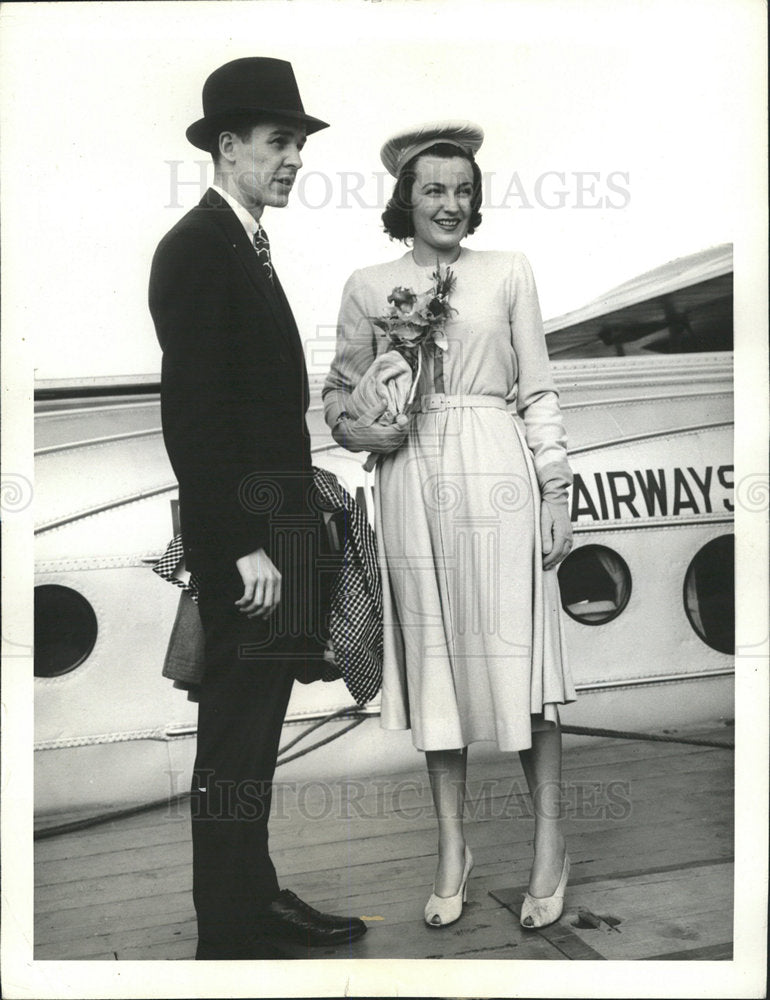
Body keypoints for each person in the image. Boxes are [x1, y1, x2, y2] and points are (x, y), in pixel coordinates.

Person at [323, 121, 576, 932]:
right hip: (410, 477)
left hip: (496, 466)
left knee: (520, 666)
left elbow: (536, 390)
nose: (452, 204)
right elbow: (335, 399)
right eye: (434, 189)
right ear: (406, 197)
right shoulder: (368, 283)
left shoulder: (508, 273)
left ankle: (549, 844)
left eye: (464, 190)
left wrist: (557, 490)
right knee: (436, 668)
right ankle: (451, 849)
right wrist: (368, 431)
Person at [149, 57, 366, 960]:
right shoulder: (199, 248)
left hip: (273, 538)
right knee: (235, 743)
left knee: (251, 738)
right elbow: (193, 416)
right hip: (251, 551)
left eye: (298, 145)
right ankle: (232, 930)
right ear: (228, 147)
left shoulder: (242, 245)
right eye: (279, 142)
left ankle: (251, 899)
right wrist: (240, 548)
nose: (293, 160)